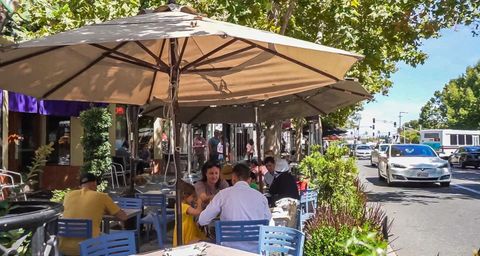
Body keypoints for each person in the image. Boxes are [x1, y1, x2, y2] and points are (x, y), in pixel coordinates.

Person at [198, 163, 272, 253]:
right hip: (255, 251)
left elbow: (202, 220)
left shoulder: (222, 195)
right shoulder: (261, 197)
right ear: (249, 180)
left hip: (228, 251)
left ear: (233, 179)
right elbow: (268, 221)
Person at [59, 173, 128, 256]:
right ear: (95, 183)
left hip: (63, 247)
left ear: (81, 186)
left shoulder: (68, 195)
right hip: (89, 247)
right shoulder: (102, 196)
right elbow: (123, 217)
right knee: (120, 243)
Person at [173, 182, 206, 246]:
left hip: (187, 229)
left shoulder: (180, 204)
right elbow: (198, 212)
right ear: (185, 195)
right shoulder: (183, 206)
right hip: (186, 231)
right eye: (192, 196)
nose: (193, 199)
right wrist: (199, 202)